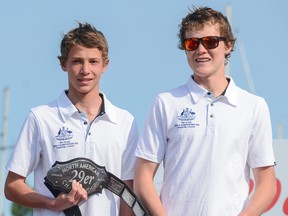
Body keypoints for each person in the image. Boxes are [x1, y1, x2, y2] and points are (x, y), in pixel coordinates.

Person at [134, 6, 276, 216]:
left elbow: (267, 183)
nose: (201, 50)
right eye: (192, 43)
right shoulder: (165, 103)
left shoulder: (253, 106)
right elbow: (142, 177)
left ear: (228, 45)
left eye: (210, 42)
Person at [5, 22, 139, 216]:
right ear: (63, 64)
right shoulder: (41, 118)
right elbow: (12, 186)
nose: (85, 70)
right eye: (77, 61)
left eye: (93, 61)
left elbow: (128, 192)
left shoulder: (125, 122)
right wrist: (53, 204)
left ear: (105, 65)